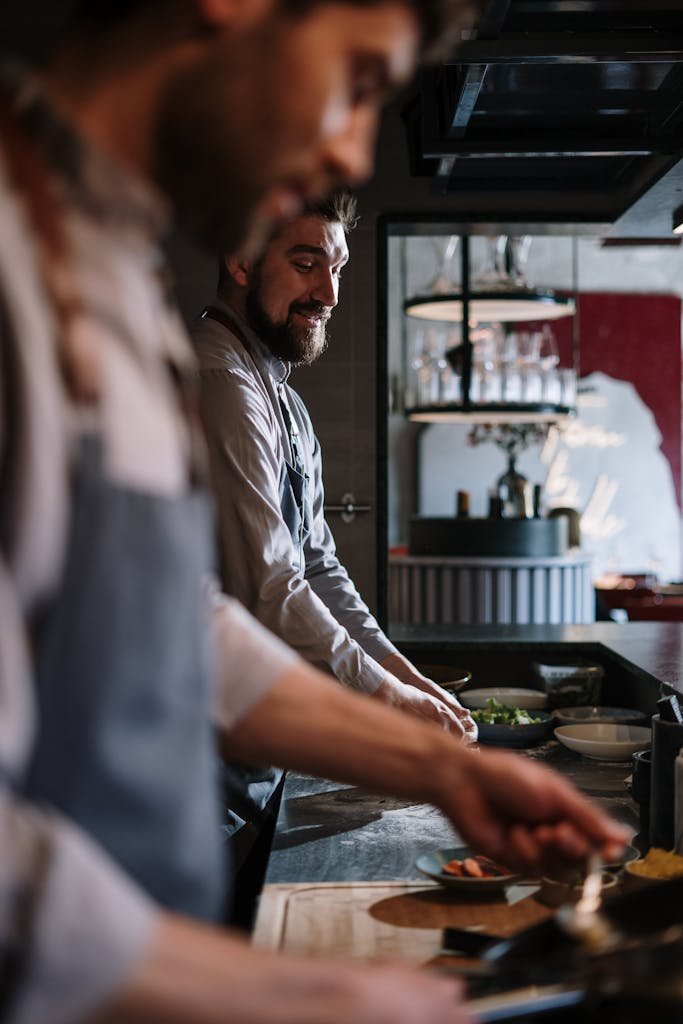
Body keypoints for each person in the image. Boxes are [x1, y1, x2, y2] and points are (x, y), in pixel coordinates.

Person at [0, 3, 628, 1023]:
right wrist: (298, 989)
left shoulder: (108, 274)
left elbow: (184, 626)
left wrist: (429, 758)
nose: (347, 146)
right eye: (358, 79)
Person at [192, 190, 477, 925]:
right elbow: (271, 588)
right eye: (305, 261)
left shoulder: (280, 395)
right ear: (240, 260)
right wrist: (391, 704)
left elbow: (318, 562)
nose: (327, 292)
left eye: (338, 267)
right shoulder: (222, 382)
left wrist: (404, 675)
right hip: (196, 764)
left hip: (252, 753)